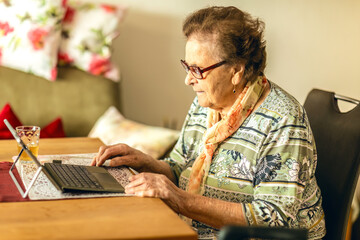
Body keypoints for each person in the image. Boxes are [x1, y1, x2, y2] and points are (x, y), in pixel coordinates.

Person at [91, 6, 326, 240]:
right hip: (202, 230)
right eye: (186, 66)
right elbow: (180, 168)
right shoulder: (206, 105)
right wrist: (144, 162)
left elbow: (273, 218)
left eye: (197, 70)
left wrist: (179, 198)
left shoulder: (282, 121)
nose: (187, 80)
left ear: (236, 71)